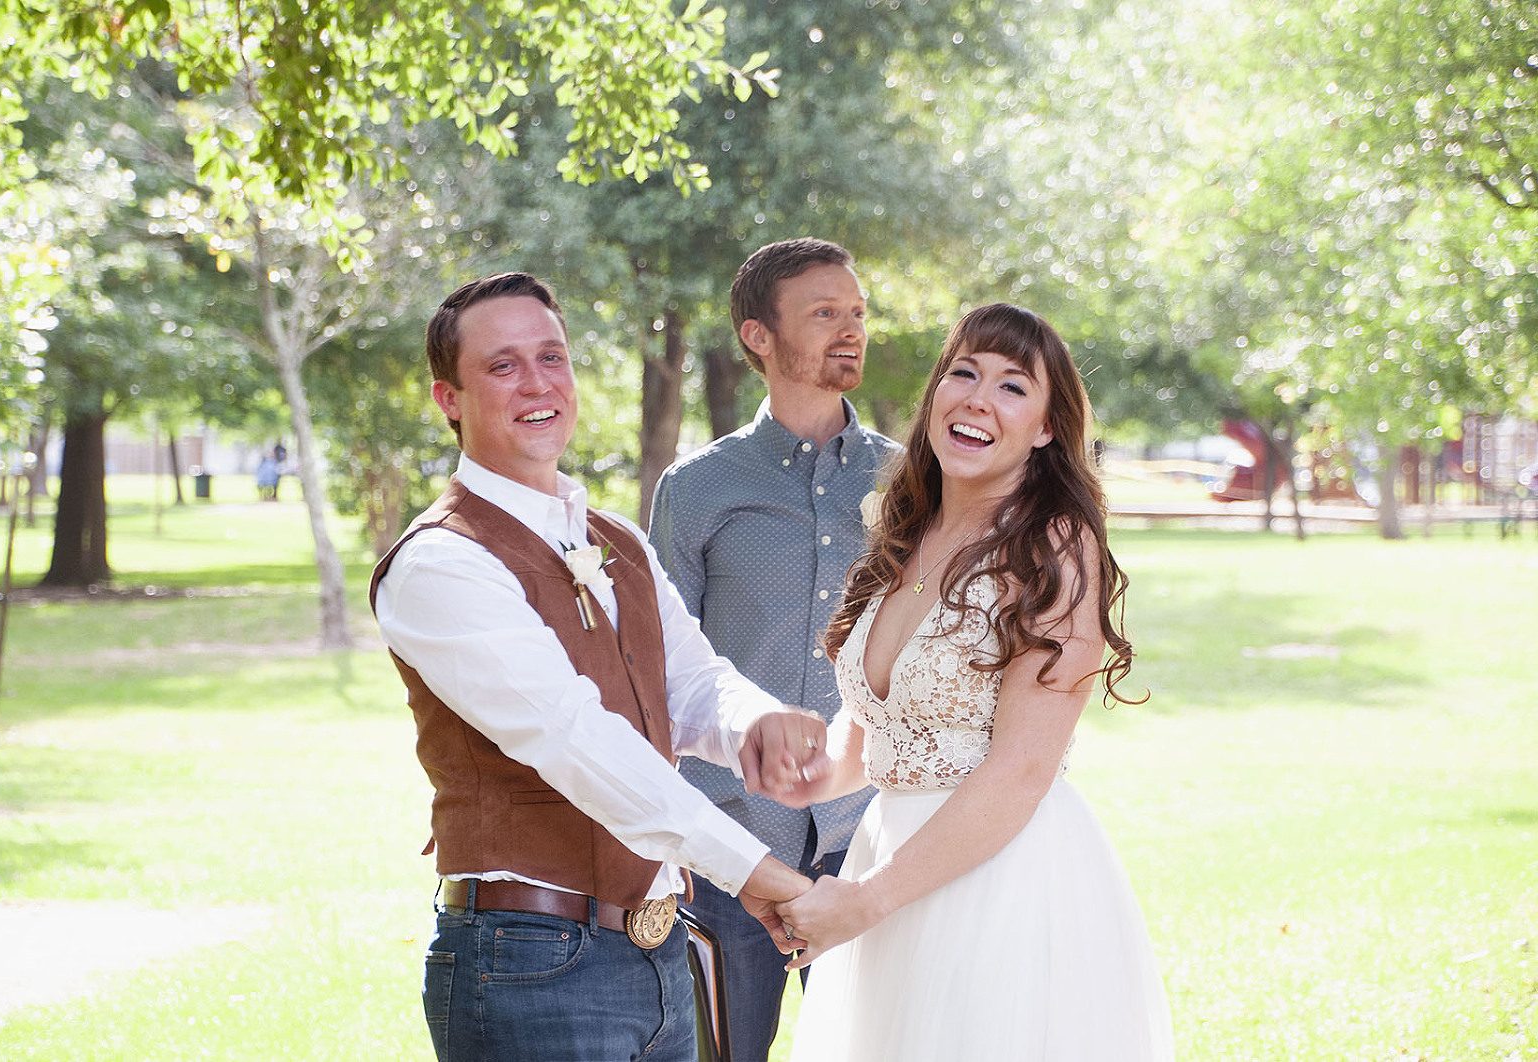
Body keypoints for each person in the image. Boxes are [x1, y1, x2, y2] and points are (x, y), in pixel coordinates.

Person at [369, 272, 831, 1062]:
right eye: (503, 365)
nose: (538, 382)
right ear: (449, 398)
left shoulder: (616, 539)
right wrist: (752, 869)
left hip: (656, 952)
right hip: (526, 964)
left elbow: (690, 679)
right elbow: (577, 741)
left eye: (552, 357)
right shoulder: (441, 563)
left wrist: (754, 722)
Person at [774, 302, 1175, 1061]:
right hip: (889, 869)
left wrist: (865, 902)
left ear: (1048, 428)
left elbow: (1021, 770)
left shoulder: (1055, 549)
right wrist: (787, 769)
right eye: (963, 372)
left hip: (1002, 884)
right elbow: (870, 742)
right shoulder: (906, 534)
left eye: (1013, 386)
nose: (978, 398)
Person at [648, 238, 899, 1062]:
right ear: (760, 337)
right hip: (730, 846)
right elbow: (659, 672)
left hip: (864, 842)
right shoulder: (697, 488)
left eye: (856, 312)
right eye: (824, 313)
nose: (850, 329)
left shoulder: (912, 488)